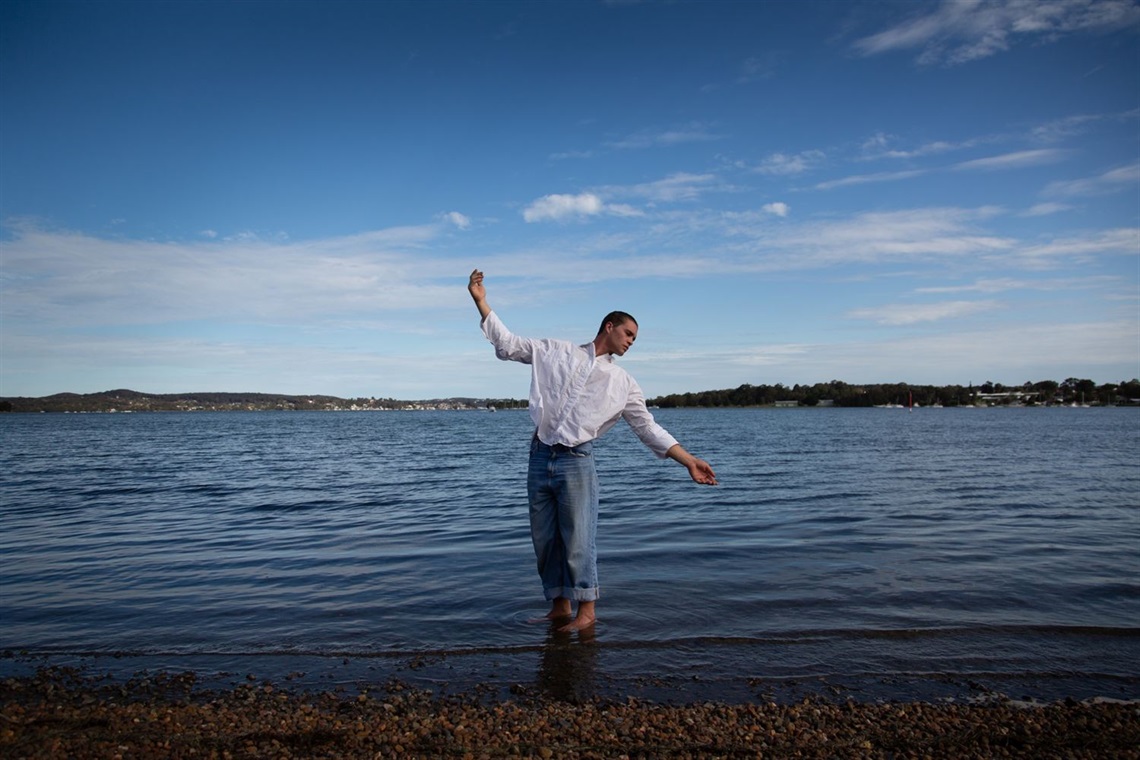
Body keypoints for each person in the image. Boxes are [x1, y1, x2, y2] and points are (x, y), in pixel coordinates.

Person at [468, 269, 717, 632]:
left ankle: (587, 615)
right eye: (628, 333)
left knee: (578, 540)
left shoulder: (623, 383)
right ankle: (559, 607)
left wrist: (688, 460)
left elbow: (647, 428)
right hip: (539, 456)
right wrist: (481, 302)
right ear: (610, 326)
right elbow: (507, 344)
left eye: (635, 337)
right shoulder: (556, 351)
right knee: (546, 539)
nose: (632, 341)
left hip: (576, 461)